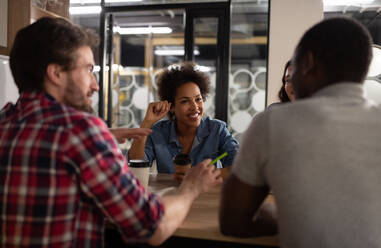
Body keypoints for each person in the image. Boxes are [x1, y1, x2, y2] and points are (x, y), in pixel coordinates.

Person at [0, 17, 222, 247]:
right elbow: (151, 226)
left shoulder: (6, 122)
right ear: (56, 74)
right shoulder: (81, 133)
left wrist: (104, 135)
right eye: (88, 70)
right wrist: (191, 188)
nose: (95, 85)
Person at [219, 17, 380, 248]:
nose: (291, 80)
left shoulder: (272, 124)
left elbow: (233, 221)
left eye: (294, 67)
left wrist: (281, 216)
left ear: (308, 62)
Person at [128, 62, 239, 178]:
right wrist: (147, 123)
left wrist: (198, 176)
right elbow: (135, 167)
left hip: (206, 195)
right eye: (185, 101)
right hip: (171, 194)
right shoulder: (158, 132)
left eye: (198, 99)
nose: (195, 107)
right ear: (171, 107)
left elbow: (239, 167)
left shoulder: (217, 130)